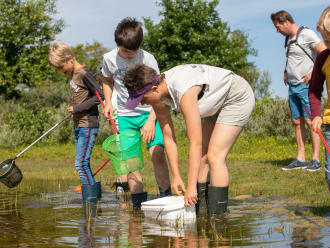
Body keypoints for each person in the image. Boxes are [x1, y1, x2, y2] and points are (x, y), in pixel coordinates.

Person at [123, 63, 255, 215]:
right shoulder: (158, 96)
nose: (141, 103)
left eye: (141, 98)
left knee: (214, 156)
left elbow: (195, 143)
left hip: (235, 97)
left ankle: (218, 222)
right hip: (211, 102)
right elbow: (169, 137)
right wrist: (176, 176)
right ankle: (201, 214)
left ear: (154, 89)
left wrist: (191, 187)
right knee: (202, 158)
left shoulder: (183, 90)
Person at [101, 17, 171, 209]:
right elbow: (107, 80)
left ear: (139, 47)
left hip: (150, 112)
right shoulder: (109, 58)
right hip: (125, 115)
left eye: (132, 52)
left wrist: (150, 121)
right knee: (130, 162)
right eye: (124, 51)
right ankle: (138, 205)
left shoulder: (148, 59)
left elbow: (158, 92)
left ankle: (166, 197)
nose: (128, 55)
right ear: (117, 44)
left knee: (157, 153)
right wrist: (108, 102)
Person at [48, 41, 104, 205]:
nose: (60, 71)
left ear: (69, 58)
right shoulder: (73, 75)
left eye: (61, 67)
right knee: (83, 164)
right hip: (78, 124)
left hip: (88, 124)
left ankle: (90, 202)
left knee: (80, 164)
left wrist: (78, 108)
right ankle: (93, 199)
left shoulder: (84, 73)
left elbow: (100, 96)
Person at [271, 10, 326, 171]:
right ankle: (300, 158)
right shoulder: (288, 39)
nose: (277, 30)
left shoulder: (307, 34)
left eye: (278, 26)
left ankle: (315, 159)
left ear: (286, 22)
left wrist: (313, 74)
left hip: (306, 86)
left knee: (311, 121)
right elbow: (292, 58)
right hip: (293, 86)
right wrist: (285, 72)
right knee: (297, 122)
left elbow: (324, 52)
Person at [308, 7, 330, 191]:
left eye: (329, 39)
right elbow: (314, 90)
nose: (325, 43)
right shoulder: (323, 58)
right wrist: (316, 114)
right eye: (324, 38)